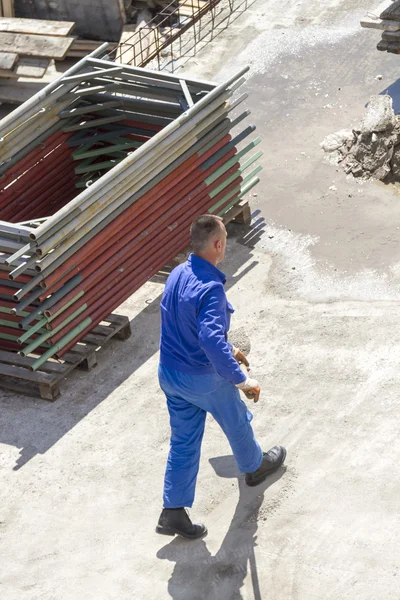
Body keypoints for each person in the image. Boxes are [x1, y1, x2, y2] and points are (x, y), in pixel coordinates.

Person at [156, 214, 286, 540]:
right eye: (224, 241)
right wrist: (242, 380)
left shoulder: (177, 274)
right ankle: (255, 468)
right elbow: (210, 341)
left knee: (183, 443)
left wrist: (231, 349)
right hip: (200, 377)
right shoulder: (212, 288)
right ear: (217, 245)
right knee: (236, 417)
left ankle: (173, 511)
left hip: (170, 374)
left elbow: (186, 324)